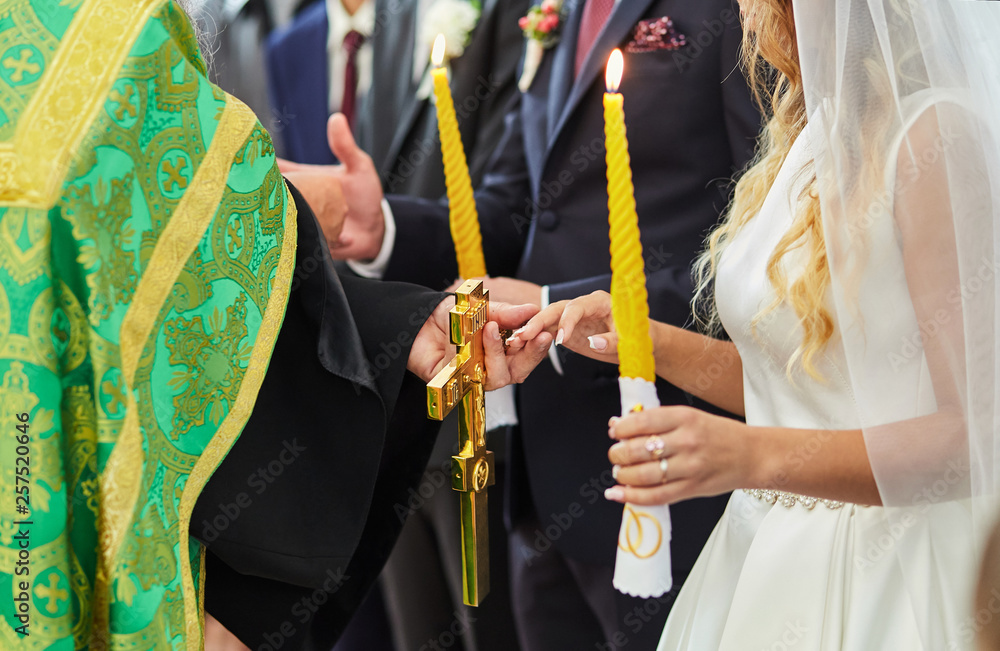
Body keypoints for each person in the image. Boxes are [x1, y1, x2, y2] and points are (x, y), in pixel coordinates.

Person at [0, 1, 551, 649]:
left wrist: (394, 322)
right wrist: (296, 212)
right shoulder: (113, 28)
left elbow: (138, 248)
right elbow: (186, 221)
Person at [512, 0, 1000, 648]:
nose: (745, 15)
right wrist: (646, 339)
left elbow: (975, 432)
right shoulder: (813, 133)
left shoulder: (935, 136)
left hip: (890, 559)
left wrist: (749, 455)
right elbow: (796, 384)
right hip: (764, 550)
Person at [295, 0, 761, 647]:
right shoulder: (559, 10)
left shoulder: (739, 12)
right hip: (541, 480)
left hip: (668, 465)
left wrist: (553, 302)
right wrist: (385, 227)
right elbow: (511, 207)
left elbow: (757, 255)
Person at [271, 2, 528, 648]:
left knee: (493, 623)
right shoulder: (365, 35)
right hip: (388, 382)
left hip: (484, 374)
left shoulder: (501, 16)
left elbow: (512, 200)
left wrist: (386, 228)